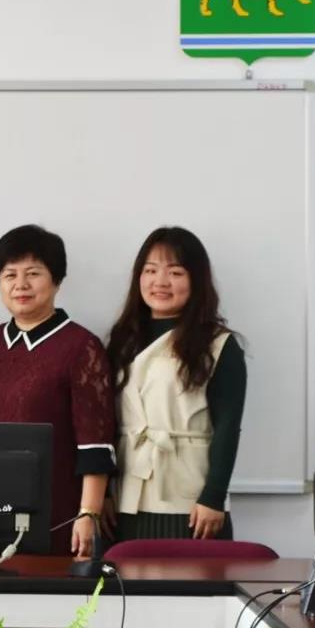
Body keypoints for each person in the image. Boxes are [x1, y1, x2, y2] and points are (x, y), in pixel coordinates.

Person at [0, 225, 116, 557]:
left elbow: (96, 443)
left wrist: (88, 514)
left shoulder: (81, 346)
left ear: (57, 280)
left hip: (57, 509)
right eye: (10, 275)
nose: (21, 284)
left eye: (33, 273)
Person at [105, 227, 246, 541]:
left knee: (192, 573)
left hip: (191, 500)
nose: (160, 281)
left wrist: (214, 496)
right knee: (127, 572)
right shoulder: (123, 339)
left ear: (196, 280)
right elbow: (106, 422)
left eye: (175, 272)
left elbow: (228, 426)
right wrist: (103, 493)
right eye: (150, 270)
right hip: (127, 495)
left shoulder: (218, 344)